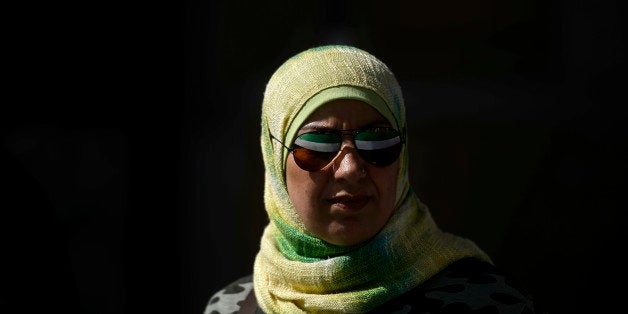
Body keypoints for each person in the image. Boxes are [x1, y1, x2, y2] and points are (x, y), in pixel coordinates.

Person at [205, 45, 540, 313]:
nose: (350, 168)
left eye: (378, 142)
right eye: (318, 146)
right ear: (274, 158)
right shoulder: (234, 306)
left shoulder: (483, 302)